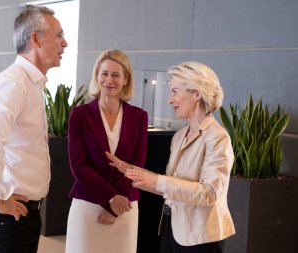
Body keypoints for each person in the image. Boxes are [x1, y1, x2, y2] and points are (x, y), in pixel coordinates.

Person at [106, 61, 235, 253]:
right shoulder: (179, 136)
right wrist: (131, 171)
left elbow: (209, 194)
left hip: (200, 238)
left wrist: (157, 180)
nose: (170, 99)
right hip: (172, 229)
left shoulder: (218, 138)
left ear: (196, 93)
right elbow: (170, 186)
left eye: (175, 91)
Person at [0, 6, 68, 253]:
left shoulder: (30, 83)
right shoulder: (13, 84)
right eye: (58, 35)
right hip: (5, 217)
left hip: (24, 214)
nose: (64, 43)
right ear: (35, 38)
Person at [65, 49, 148, 253]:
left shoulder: (139, 116)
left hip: (125, 206)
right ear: (97, 76)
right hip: (88, 203)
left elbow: (137, 165)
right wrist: (110, 199)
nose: (109, 80)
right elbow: (78, 165)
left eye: (116, 74)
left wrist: (117, 203)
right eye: (104, 73)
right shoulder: (80, 114)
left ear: (126, 79)